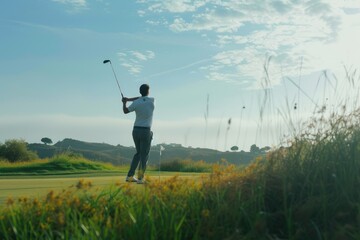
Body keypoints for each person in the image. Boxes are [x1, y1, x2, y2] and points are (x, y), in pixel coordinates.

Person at [122, 84, 155, 184]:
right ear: (148, 91)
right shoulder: (151, 100)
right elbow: (142, 98)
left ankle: (130, 176)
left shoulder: (136, 103)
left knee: (138, 154)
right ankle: (140, 178)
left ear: (140, 91)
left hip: (135, 130)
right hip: (145, 131)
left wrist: (125, 102)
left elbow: (125, 111)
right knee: (144, 155)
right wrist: (129, 99)